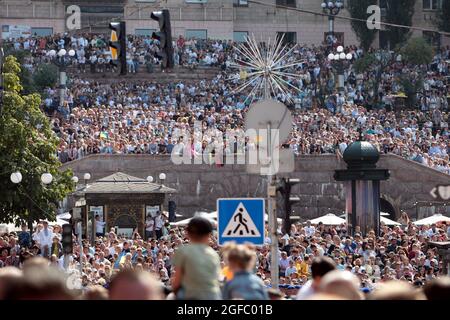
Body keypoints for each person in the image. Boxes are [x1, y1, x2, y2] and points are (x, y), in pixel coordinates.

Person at [172, 217, 222, 300]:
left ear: (188, 234)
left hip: (191, 295)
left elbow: (177, 280)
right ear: (209, 235)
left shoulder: (183, 251)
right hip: (213, 296)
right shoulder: (214, 254)